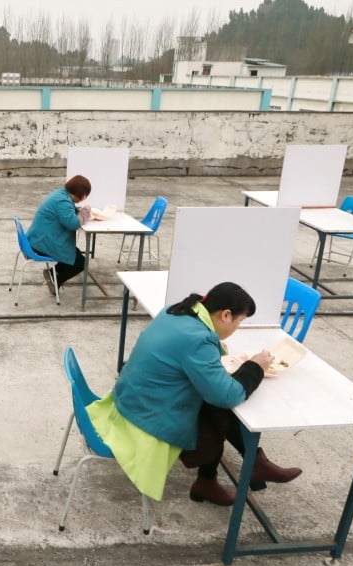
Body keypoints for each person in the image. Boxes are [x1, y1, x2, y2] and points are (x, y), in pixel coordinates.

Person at [86, 282, 302, 506]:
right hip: (146, 418)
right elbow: (227, 395)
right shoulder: (198, 339)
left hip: (131, 399)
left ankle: (243, 468)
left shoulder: (177, 311)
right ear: (226, 315)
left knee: (215, 402)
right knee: (220, 407)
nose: (239, 327)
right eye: (240, 321)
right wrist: (256, 366)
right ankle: (244, 467)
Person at [26, 175, 91, 295]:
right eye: (84, 195)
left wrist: (78, 211)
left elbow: (67, 212)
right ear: (79, 193)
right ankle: (55, 278)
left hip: (39, 238)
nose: (84, 198)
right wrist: (85, 212)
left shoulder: (61, 194)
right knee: (81, 262)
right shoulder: (62, 201)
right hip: (41, 243)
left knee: (75, 254)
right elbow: (73, 223)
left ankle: (53, 274)